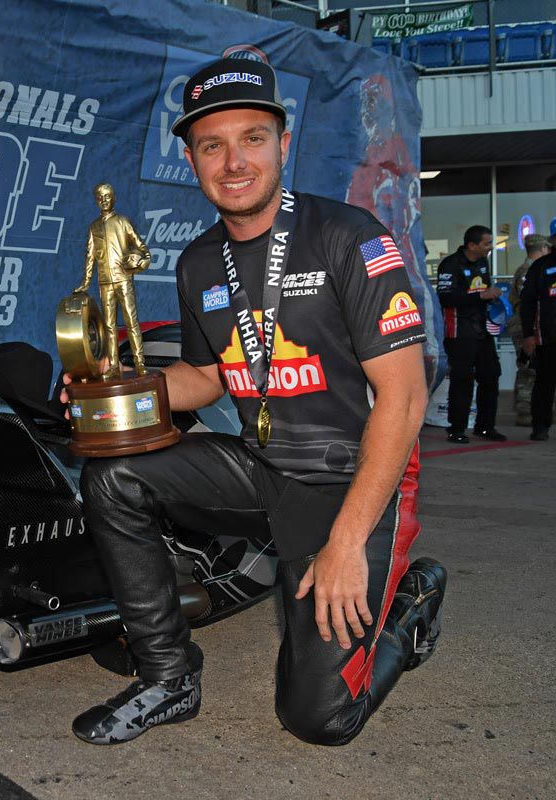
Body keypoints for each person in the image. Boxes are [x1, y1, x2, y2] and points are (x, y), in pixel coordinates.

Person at [64, 58, 445, 747]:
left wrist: (346, 543)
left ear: (283, 143)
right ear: (192, 159)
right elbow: (205, 379)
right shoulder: (200, 262)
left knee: (318, 720)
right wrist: (117, 391)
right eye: (213, 145)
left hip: (355, 482)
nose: (233, 161)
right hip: (263, 464)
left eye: (252, 138)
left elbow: (406, 396)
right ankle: (168, 676)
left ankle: (409, 609)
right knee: (113, 475)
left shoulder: (348, 237)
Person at [74, 183, 152, 378]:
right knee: (109, 326)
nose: (104, 200)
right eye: (100, 197)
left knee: (131, 322)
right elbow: (90, 257)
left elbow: (143, 249)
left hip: (123, 280)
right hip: (105, 283)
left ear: (114, 198)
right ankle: (114, 365)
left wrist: (141, 263)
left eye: (107, 196)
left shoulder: (123, 222)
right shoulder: (94, 227)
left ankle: (140, 363)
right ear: (96, 201)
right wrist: (86, 282)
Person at [436, 226, 505, 442]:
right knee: (462, 379)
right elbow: (446, 298)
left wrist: (492, 298)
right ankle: (456, 429)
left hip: (482, 330)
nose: (490, 247)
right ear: (472, 245)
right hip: (459, 332)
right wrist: (481, 296)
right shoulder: (450, 264)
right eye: (486, 243)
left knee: (491, 375)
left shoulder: (483, 263)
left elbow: (483, 292)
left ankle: (485, 427)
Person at [507, 234, 553, 426]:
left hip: (534, 324)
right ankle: (525, 410)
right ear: (542, 249)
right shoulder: (529, 270)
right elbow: (527, 302)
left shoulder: (531, 268)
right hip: (525, 325)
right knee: (529, 367)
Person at [519, 246, 556, 440]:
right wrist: (528, 335)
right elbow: (527, 302)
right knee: (545, 383)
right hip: (548, 337)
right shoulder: (541, 267)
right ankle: (540, 426)